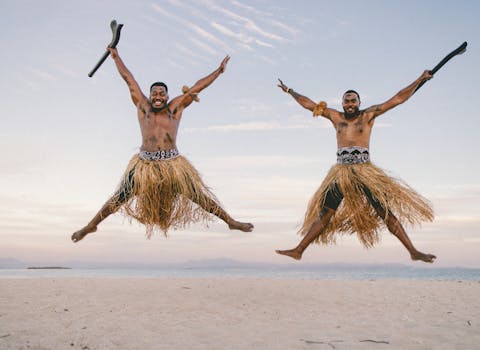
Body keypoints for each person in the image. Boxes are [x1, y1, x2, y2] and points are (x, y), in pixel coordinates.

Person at [72, 48, 253, 242]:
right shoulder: (143, 107)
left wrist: (219, 71)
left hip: (172, 165)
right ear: (150, 96)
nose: (158, 96)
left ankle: (230, 222)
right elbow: (128, 78)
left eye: (161, 93)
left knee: (199, 197)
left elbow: (198, 86)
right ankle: (91, 226)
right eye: (154, 93)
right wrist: (116, 57)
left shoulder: (175, 108)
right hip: (145, 165)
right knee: (119, 198)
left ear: (167, 96)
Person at [275, 71, 436, 263]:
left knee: (384, 212)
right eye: (347, 101)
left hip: (365, 172)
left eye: (353, 101)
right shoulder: (335, 117)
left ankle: (413, 251)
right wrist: (290, 91)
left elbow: (398, 98)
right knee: (325, 214)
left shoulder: (368, 115)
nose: (350, 104)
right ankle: (299, 250)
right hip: (341, 173)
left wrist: (419, 80)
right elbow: (308, 103)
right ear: (342, 103)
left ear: (359, 103)